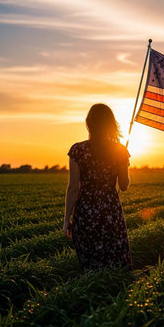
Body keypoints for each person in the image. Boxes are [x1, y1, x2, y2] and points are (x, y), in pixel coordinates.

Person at [63, 103, 133, 273]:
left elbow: (73, 188)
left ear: (89, 123)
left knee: (90, 264)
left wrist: (67, 219)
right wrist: (125, 166)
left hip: (86, 214)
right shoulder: (120, 150)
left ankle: (93, 296)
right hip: (111, 213)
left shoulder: (78, 150)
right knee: (115, 263)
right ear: (111, 124)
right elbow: (124, 186)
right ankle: (118, 297)